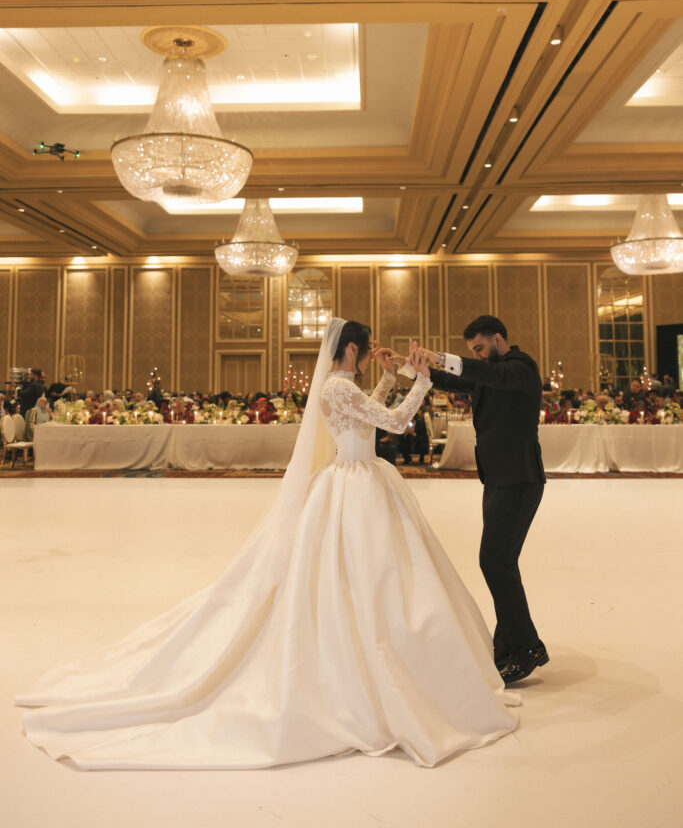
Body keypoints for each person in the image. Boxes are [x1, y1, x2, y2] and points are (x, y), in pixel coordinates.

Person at [16, 317, 519, 770]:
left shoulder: (342, 387)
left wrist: (389, 378)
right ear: (351, 349)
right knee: (371, 576)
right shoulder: (338, 388)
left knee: (374, 575)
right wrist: (422, 380)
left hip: (361, 476)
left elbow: (368, 417)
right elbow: (392, 423)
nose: (371, 357)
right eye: (368, 351)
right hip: (358, 480)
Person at [403, 314, 547, 686]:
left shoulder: (521, 367)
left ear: (498, 339)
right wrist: (414, 368)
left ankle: (528, 647)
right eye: (472, 351)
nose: (478, 355)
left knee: (494, 562)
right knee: (500, 563)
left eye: (480, 348)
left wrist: (439, 357)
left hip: (519, 479)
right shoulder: (490, 373)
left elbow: (489, 374)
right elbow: (458, 380)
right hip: (498, 479)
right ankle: (509, 645)